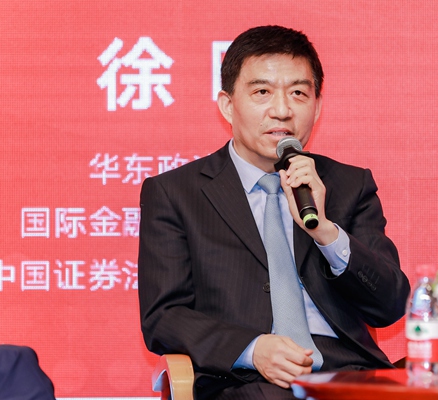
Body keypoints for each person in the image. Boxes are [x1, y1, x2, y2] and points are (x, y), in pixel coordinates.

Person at [138, 25, 410, 400]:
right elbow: (163, 317)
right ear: (227, 105)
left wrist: (325, 232)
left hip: (348, 376)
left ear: (317, 106)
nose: (282, 110)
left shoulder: (348, 185)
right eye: (262, 92)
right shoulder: (176, 193)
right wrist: (252, 349)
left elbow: (390, 305)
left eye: (298, 93)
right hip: (243, 381)